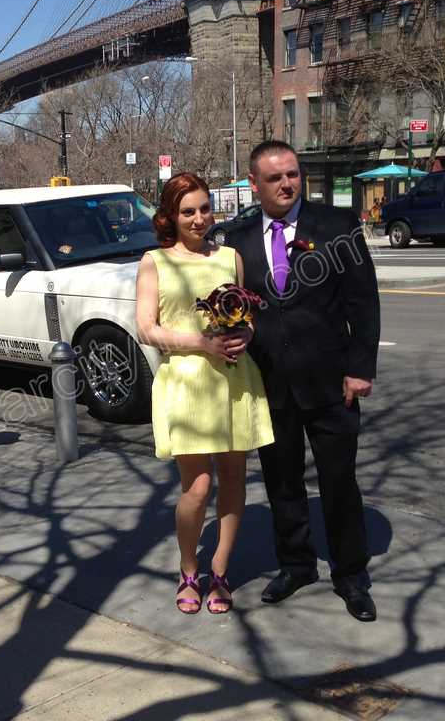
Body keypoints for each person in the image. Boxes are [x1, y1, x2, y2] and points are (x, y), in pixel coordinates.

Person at [226, 140, 381, 622]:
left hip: (331, 382)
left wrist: (359, 369)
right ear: (254, 184)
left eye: (292, 174)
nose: (287, 184)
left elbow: (364, 302)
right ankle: (296, 564)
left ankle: (350, 574)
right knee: (281, 481)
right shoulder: (237, 238)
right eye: (275, 178)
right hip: (269, 383)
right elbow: (226, 302)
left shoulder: (337, 227)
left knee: (339, 482)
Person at [135, 172, 274, 615]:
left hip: (233, 379)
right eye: (188, 211)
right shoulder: (154, 261)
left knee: (234, 479)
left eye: (204, 209)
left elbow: (248, 316)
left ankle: (220, 570)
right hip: (186, 384)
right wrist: (202, 343)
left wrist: (245, 335)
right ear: (171, 217)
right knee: (196, 489)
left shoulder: (230, 257)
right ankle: (188, 567)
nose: (198, 219)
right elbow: (147, 328)